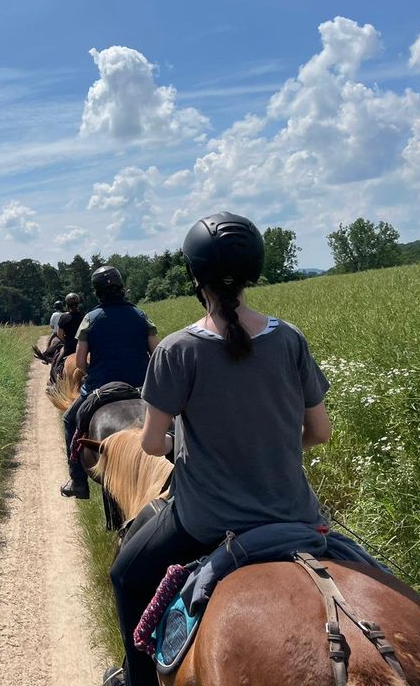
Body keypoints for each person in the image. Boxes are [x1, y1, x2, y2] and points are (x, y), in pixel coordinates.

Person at [104, 212, 332, 686]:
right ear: (253, 272)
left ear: (194, 276)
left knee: (126, 576)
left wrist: (185, 448)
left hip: (204, 520)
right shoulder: (289, 339)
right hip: (294, 513)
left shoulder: (177, 349)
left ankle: (136, 681)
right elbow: (319, 432)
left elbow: (151, 442)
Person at [61, 266, 158, 499]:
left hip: (99, 387)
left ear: (97, 291)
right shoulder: (141, 315)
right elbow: (156, 353)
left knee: (69, 420)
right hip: (141, 386)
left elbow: (81, 362)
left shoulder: (90, 319)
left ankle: (78, 482)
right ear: (122, 287)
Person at [56, 293, 84, 360]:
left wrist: (66, 341)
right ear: (78, 303)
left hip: (69, 347)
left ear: (67, 304)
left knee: (58, 361)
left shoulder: (63, 317)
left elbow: (59, 334)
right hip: (83, 346)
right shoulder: (84, 315)